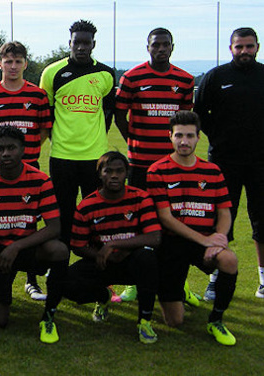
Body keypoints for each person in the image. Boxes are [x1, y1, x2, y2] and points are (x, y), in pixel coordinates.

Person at [0, 125, 69, 344]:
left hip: (25, 247)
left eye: (11, 148)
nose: (5, 154)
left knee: (59, 250)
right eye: (0, 148)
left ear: (23, 150)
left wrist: (16, 247)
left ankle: (49, 315)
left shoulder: (40, 180)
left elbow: (54, 227)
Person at [115, 28, 195, 303]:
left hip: (174, 166)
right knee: (137, 223)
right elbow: (119, 114)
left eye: (165, 45)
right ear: (147, 47)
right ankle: (134, 283)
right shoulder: (132, 77)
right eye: (155, 45)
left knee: (176, 223)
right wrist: (134, 140)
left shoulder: (184, 79)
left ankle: (177, 283)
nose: (160, 49)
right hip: (140, 164)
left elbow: (186, 121)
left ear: (172, 47)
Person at [148, 111, 238, 346]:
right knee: (174, 321)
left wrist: (218, 238)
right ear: (170, 137)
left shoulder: (213, 171)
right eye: (179, 136)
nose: (184, 141)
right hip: (171, 245)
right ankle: (178, 291)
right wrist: (204, 240)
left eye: (189, 136)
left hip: (204, 241)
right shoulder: (157, 170)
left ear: (199, 138)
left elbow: (225, 212)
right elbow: (166, 219)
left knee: (229, 260)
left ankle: (216, 320)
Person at [0, 41, 52, 302]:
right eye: (8, 61)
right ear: (0, 64)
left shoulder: (37, 95)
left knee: (29, 222)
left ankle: (31, 280)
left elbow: (44, 128)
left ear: (25, 64)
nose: (12, 66)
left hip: (30, 167)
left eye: (18, 61)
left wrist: (27, 152)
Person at [194, 27, 264, 300]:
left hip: (261, 162)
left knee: (262, 221)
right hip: (224, 162)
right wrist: (220, 137)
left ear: (257, 47)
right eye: (239, 47)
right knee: (222, 220)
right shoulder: (216, 77)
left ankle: (262, 281)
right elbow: (199, 114)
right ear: (231, 48)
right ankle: (215, 278)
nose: (244, 51)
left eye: (249, 46)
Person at [65, 151, 161, 344]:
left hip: (132, 262)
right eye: (108, 171)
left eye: (120, 171)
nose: (114, 176)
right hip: (102, 263)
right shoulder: (87, 205)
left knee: (148, 260)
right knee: (65, 281)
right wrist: (101, 254)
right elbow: (77, 245)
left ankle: (145, 321)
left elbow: (154, 237)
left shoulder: (141, 198)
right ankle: (104, 296)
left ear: (127, 173)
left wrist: (115, 245)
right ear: (100, 174)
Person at [39, 19, 115, 246]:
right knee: (63, 214)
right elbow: (47, 114)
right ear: (69, 43)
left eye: (86, 43)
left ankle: (94, 275)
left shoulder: (106, 74)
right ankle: (59, 274)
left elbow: (108, 113)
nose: (81, 47)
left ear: (94, 44)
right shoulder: (52, 72)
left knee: (96, 215)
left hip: (95, 157)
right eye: (76, 43)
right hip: (62, 157)